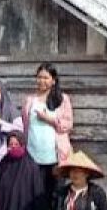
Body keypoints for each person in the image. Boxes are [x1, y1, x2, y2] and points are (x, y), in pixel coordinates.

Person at [22, 63, 74, 192]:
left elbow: (67, 125)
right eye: (39, 77)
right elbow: (25, 126)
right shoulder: (30, 101)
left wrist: (49, 119)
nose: (42, 81)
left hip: (55, 157)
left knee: (56, 194)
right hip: (33, 156)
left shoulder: (62, 100)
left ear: (53, 81)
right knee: (36, 194)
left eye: (46, 78)